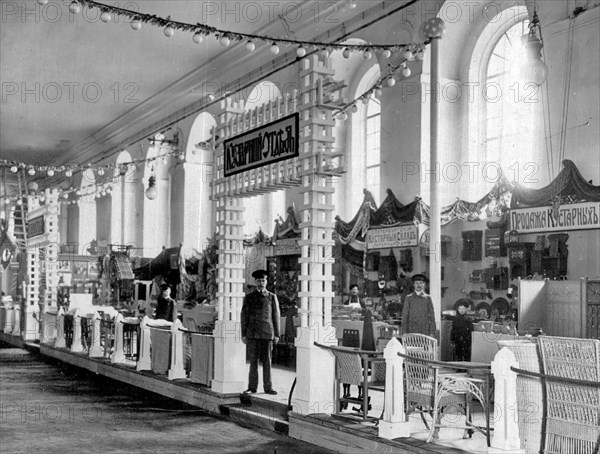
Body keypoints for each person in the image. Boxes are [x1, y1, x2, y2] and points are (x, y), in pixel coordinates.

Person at [241, 269, 281, 395]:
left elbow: (276, 317)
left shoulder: (271, 297)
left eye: (263, 280)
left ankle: (268, 388)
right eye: (258, 280)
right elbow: (244, 316)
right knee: (253, 362)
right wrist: (243, 333)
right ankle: (252, 387)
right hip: (252, 334)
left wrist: (277, 334)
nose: (261, 283)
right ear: (255, 282)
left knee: (267, 362)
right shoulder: (249, 298)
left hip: (267, 333)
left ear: (266, 281)